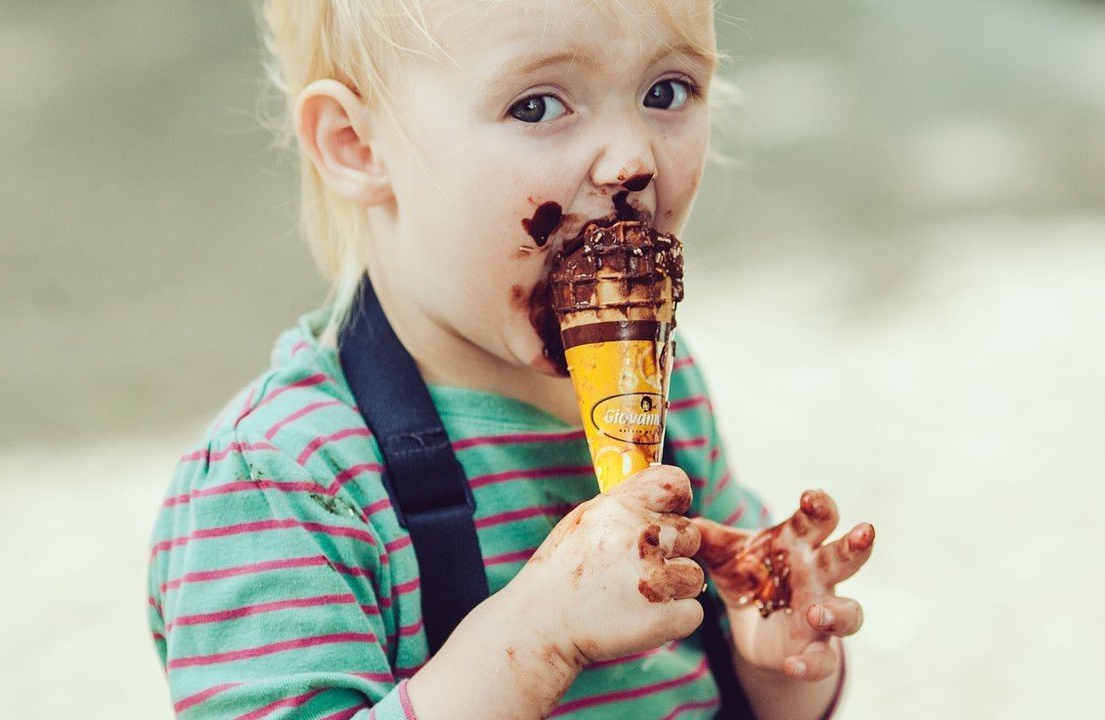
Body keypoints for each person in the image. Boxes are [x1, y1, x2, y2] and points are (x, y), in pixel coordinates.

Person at [146, 1, 876, 718]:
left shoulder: (666, 388)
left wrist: (777, 657)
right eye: (536, 106)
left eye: (665, 92)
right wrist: (535, 639)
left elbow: (740, 684)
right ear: (357, 146)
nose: (631, 161)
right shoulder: (285, 481)